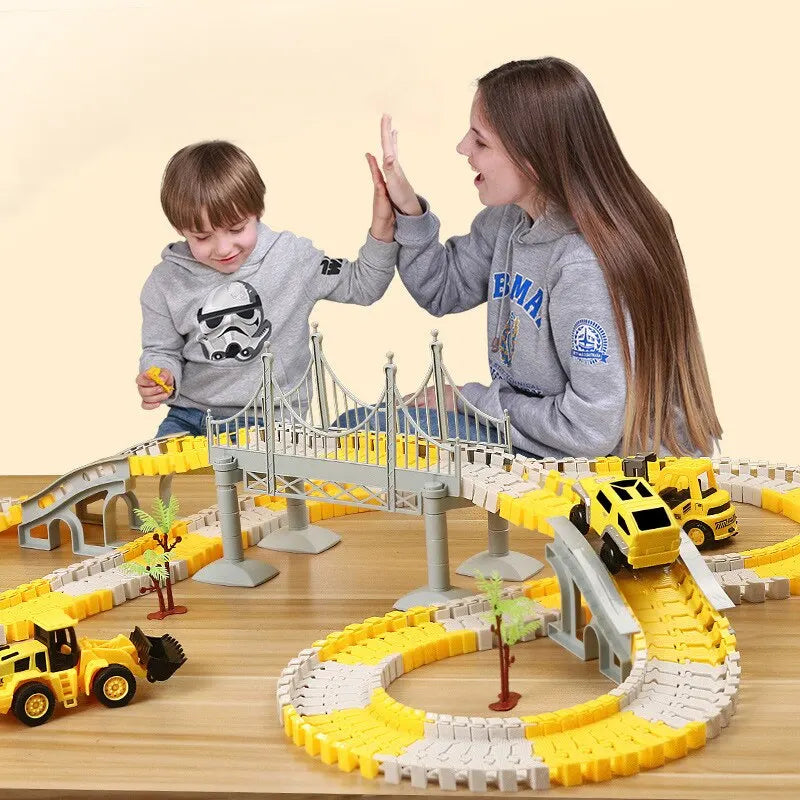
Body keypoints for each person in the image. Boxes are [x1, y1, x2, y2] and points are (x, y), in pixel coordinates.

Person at [370, 57, 721, 458]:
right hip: (554, 441)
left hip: (617, 468)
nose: (462, 147)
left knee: (376, 433)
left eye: (480, 141)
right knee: (368, 429)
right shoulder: (509, 220)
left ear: (532, 159)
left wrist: (470, 400)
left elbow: (588, 429)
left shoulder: (583, 264)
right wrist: (408, 210)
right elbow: (443, 288)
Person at [137, 140, 397, 437]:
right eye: (202, 237)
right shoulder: (165, 282)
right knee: (157, 468)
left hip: (270, 423)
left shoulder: (292, 258)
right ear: (180, 229)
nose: (223, 248)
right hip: (190, 418)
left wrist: (383, 227)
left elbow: (364, 284)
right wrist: (160, 375)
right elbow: (161, 350)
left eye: (236, 229)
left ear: (257, 211)